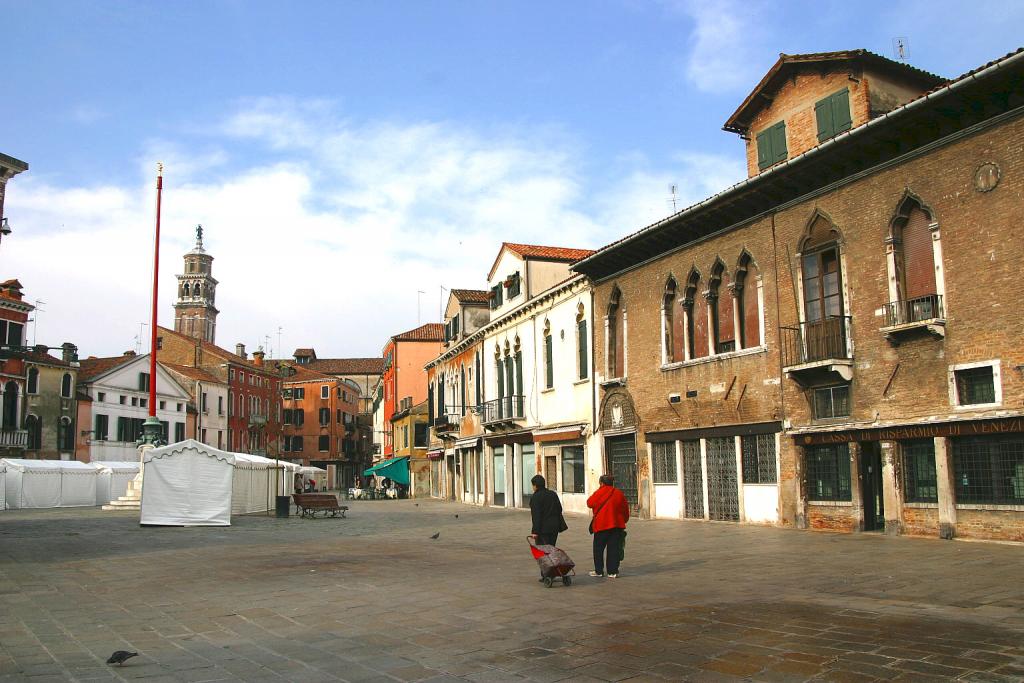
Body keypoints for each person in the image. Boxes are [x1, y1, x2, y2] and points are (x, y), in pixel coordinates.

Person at [586, 474, 630, 578]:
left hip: (601, 526)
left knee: (598, 549)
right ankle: (612, 571)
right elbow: (625, 509)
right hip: (616, 526)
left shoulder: (599, 492)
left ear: (601, 483)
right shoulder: (618, 493)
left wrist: (599, 490)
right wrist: (624, 520)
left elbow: (589, 503)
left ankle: (599, 571)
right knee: (613, 549)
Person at [529, 474, 568, 547]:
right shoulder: (553, 494)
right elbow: (559, 508)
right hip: (554, 528)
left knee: (543, 551)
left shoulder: (535, 497)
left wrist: (535, 531)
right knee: (551, 549)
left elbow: (536, 516)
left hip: (542, 530)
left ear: (535, 485)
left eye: (533, 485)